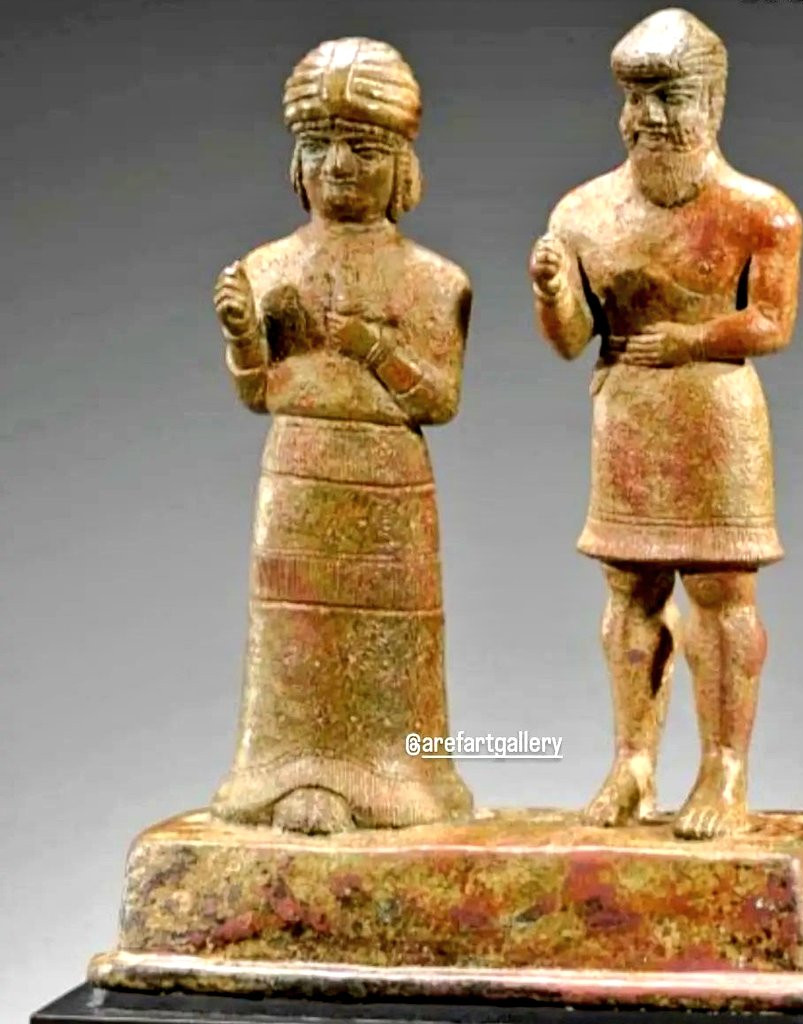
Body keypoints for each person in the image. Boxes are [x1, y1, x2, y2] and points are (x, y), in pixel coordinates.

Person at [530, 9, 803, 839]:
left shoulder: (760, 213)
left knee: (721, 592)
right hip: (627, 412)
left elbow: (771, 323)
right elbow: (572, 340)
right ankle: (632, 765)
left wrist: (689, 339)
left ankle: (722, 770)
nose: (647, 116)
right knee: (628, 592)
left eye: (668, 96)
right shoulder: (583, 213)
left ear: (712, 101)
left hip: (715, 414)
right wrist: (553, 293)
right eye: (634, 97)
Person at [211, 37, 473, 834]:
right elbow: (259, 393)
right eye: (318, 145)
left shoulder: (435, 280)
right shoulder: (264, 269)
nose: (337, 166)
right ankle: (285, 777)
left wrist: (371, 347)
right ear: (296, 163)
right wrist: (243, 338)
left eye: (361, 148)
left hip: (388, 484)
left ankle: (399, 780)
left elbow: (438, 399)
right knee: (295, 634)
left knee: (387, 645)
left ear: (401, 166)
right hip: (297, 478)